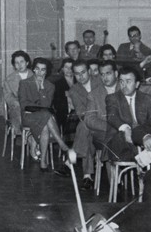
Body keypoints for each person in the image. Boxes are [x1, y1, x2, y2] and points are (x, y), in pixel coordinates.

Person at [104, 66, 151, 201]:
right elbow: (112, 117)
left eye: (128, 81)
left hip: (143, 142)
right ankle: (149, 161)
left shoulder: (147, 99)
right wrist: (126, 128)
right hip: (119, 143)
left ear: (137, 84)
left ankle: (149, 165)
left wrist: (150, 137)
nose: (124, 85)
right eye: (121, 81)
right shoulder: (112, 98)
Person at [18, 58, 75, 175]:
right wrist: (39, 107)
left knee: (45, 124)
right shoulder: (24, 83)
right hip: (28, 117)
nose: (39, 72)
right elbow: (24, 105)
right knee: (46, 115)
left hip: (43, 117)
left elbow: (47, 105)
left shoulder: (49, 86)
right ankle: (62, 144)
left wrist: (42, 88)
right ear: (33, 69)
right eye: (37, 69)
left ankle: (43, 162)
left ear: (46, 72)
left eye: (43, 70)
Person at [68, 60, 101, 188]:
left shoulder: (100, 82)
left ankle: (71, 160)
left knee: (83, 128)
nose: (80, 76)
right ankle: (87, 176)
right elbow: (81, 112)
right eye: (77, 74)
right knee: (85, 131)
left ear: (89, 71)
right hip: (89, 122)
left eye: (83, 72)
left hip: (104, 121)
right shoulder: (74, 90)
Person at [3, 50, 33, 134]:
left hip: (34, 106)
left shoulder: (35, 76)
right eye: (16, 63)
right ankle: (24, 135)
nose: (19, 65)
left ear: (27, 63)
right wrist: (17, 102)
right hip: (18, 107)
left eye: (22, 62)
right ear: (14, 65)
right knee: (18, 110)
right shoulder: (9, 79)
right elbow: (8, 96)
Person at [51, 58, 75, 135]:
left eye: (71, 67)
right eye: (66, 67)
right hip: (65, 112)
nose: (69, 70)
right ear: (62, 68)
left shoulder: (79, 82)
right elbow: (57, 104)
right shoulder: (57, 84)